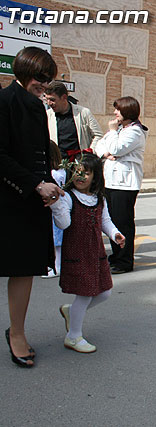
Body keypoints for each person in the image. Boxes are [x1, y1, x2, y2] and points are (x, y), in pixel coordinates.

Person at [0, 46, 63, 368]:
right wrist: (35, 184)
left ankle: (18, 332)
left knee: (23, 269)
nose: (44, 85)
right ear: (23, 71)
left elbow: (39, 155)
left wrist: (49, 183)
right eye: (39, 78)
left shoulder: (38, 107)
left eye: (48, 80)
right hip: (9, 199)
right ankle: (16, 332)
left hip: (31, 200)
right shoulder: (6, 101)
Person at [50, 153, 125, 353]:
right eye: (77, 172)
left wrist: (115, 233)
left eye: (86, 173)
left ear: (95, 176)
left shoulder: (99, 198)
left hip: (95, 252)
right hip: (77, 252)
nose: (81, 177)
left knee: (105, 292)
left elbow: (105, 220)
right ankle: (73, 336)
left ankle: (71, 311)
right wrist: (57, 205)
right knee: (85, 293)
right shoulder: (68, 197)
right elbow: (64, 223)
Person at [94, 96, 147, 274]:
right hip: (111, 182)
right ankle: (115, 257)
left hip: (125, 184)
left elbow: (117, 149)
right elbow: (100, 146)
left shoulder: (135, 132)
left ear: (127, 112)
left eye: (118, 109)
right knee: (111, 221)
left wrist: (111, 134)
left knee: (122, 223)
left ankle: (124, 260)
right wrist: (106, 153)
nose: (115, 113)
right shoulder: (119, 130)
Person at [45, 81, 103, 158]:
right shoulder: (47, 115)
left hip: (79, 164)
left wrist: (89, 154)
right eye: (47, 99)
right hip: (57, 164)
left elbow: (98, 135)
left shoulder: (83, 113)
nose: (48, 103)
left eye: (52, 100)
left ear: (64, 97)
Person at [42, 141, 66, 278]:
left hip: (54, 208)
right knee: (57, 239)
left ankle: (56, 267)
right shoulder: (61, 171)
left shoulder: (53, 174)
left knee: (56, 240)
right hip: (58, 207)